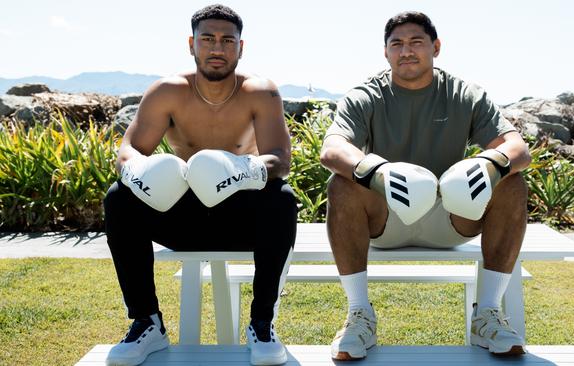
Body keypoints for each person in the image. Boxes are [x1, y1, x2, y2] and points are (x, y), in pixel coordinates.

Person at [319, 11, 532, 360]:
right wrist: (377, 171)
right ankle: (359, 315)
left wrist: (489, 163)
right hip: (385, 219)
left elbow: (517, 147)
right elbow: (332, 149)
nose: (406, 51)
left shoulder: (465, 94)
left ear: (435, 47)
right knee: (341, 185)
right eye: (396, 44)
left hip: (450, 217)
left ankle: (487, 315)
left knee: (512, 182)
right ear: (385, 53)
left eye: (416, 42)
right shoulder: (365, 95)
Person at [102, 4, 296, 366]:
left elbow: (280, 160)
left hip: (241, 220)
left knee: (282, 200)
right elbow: (128, 151)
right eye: (208, 39)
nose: (217, 48)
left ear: (241, 47)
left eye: (227, 40)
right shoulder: (167, 91)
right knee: (119, 198)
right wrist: (137, 172)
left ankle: (262, 324)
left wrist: (241, 169)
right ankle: (147, 323)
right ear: (192, 44)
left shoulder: (261, 92)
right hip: (184, 216)